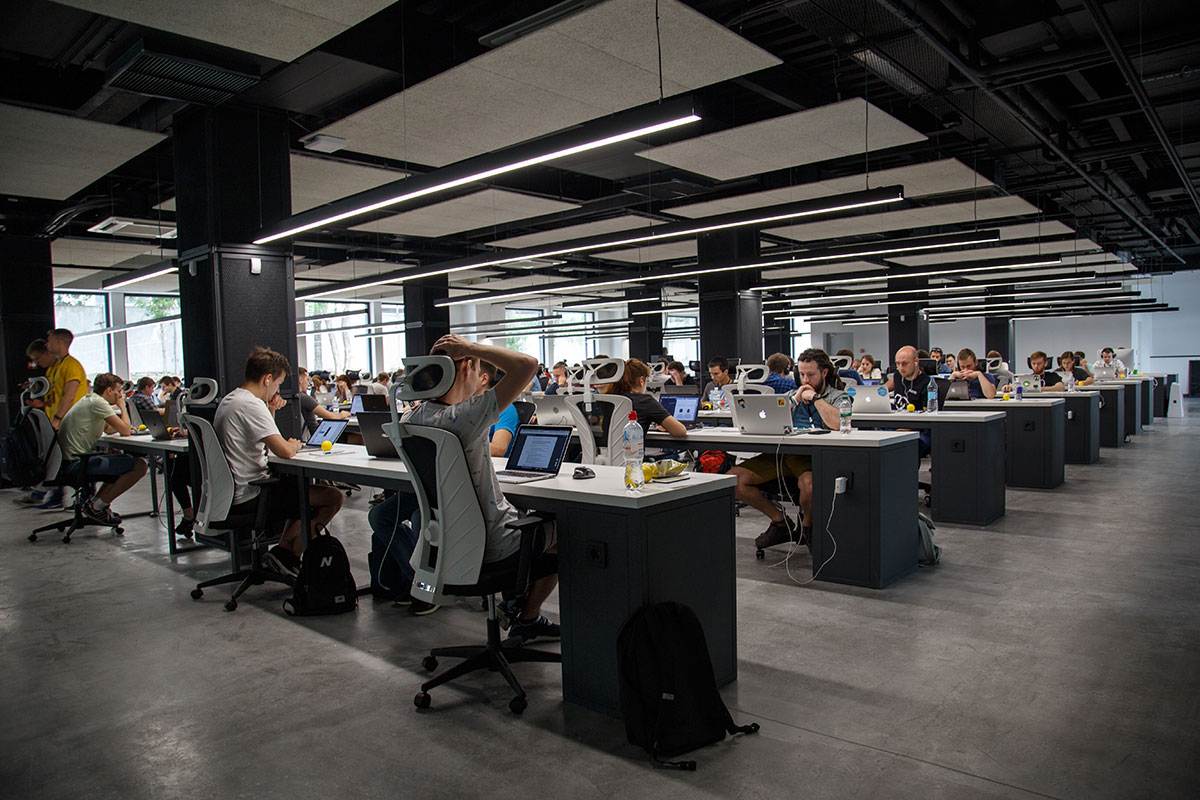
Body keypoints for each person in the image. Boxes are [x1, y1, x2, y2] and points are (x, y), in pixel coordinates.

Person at [399, 334, 559, 642]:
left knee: (528, 522)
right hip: (494, 544)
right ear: (466, 368)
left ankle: (514, 602)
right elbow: (528, 365)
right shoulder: (466, 416)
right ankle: (526, 615)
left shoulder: (411, 417)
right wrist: (471, 347)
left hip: (445, 546)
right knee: (566, 529)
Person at [214, 347, 345, 577]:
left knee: (297, 488)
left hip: (234, 492)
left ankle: (283, 551)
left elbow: (261, 437)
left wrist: (270, 410)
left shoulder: (232, 399)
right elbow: (284, 451)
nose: (277, 390)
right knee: (333, 497)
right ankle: (291, 554)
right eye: (278, 383)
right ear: (267, 379)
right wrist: (294, 444)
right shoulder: (251, 405)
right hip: (251, 493)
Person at [730, 349, 847, 550]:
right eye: (801, 375)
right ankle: (780, 521)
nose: (805, 379)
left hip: (812, 457)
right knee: (734, 479)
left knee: (809, 485)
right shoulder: (791, 396)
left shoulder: (838, 396)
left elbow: (838, 424)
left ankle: (807, 527)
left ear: (824, 373)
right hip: (783, 455)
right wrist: (795, 400)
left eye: (811, 375)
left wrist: (816, 398)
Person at [56, 372, 149, 526]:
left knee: (123, 461)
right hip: (77, 464)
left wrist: (122, 426)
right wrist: (122, 406)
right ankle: (97, 506)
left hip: (69, 461)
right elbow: (125, 431)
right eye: (119, 391)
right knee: (139, 466)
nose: (121, 394)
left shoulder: (89, 400)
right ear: (108, 391)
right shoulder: (99, 403)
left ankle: (96, 505)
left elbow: (108, 428)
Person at [603, 358, 687, 437]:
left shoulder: (608, 400)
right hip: (633, 451)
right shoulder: (645, 401)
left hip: (605, 451)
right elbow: (680, 431)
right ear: (641, 381)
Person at [884, 346, 932, 457]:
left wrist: (906, 429)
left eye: (905, 363)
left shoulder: (926, 383)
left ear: (916, 362)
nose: (900, 368)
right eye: (897, 364)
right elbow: (880, 391)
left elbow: (927, 418)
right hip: (896, 425)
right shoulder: (897, 377)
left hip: (918, 430)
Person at [44, 330, 88, 430]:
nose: (47, 345)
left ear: (58, 342)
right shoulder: (59, 365)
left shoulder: (71, 365)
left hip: (73, 423)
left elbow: (69, 395)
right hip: (61, 423)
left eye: (49, 341)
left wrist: (57, 418)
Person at [480, 360, 520, 457]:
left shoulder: (504, 408)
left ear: (483, 379)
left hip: (492, 465)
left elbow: (499, 449)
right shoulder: (467, 407)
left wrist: (458, 448)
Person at [297, 367, 350, 437]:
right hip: (317, 437)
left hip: (310, 436)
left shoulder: (293, 398)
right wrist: (342, 414)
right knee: (356, 437)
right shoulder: (304, 398)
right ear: (300, 380)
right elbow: (330, 416)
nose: (308, 384)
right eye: (307, 380)